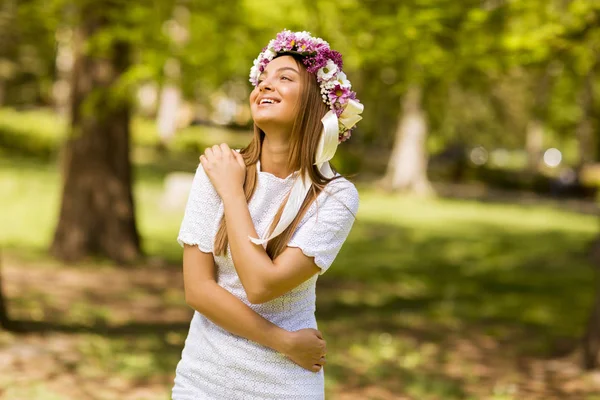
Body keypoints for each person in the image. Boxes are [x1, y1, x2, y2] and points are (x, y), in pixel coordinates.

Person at [172, 30, 363, 399]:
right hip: (202, 381)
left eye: (284, 78)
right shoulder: (218, 169)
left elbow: (261, 285)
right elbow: (198, 290)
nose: (264, 86)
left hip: (284, 386)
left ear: (317, 101)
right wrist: (283, 341)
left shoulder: (336, 196)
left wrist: (231, 193)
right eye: (260, 80)